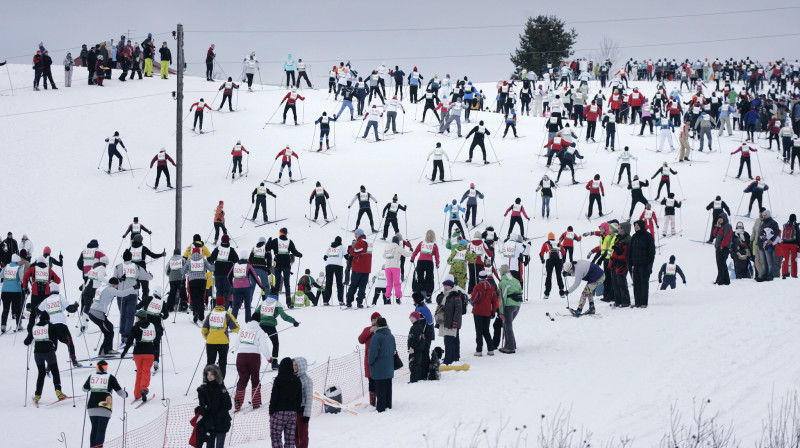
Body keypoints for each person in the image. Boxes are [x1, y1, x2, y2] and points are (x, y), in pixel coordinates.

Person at [82, 360, 127, 448]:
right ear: (106, 367)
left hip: (91, 407)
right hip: (105, 407)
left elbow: (84, 389)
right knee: (101, 430)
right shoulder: (110, 377)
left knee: (94, 429)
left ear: (97, 367)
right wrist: (126, 394)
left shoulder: (92, 376)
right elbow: (120, 393)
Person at [253, 287, 299, 370]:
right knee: (275, 343)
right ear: (277, 294)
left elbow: (256, 313)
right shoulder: (277, 304)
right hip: (271, 326)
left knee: (255, 342)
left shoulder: (263, 302)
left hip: (261, 326)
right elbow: (284, 316)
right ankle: (274, 363)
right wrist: (294, 321)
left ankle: (252, 361)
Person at [24, 312, 66, 405]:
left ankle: (37, 395)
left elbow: (26, 341)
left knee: (41, 373)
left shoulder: (34, 327)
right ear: (48, 319)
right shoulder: (50, 326)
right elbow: (59, 337)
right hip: (49, 352)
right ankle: (58, 391)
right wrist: (67, 341)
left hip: (37, 354)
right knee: (55, 371)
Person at [113, 250, 152, 346]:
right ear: (131, 257)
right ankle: (128, 335)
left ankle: (123, 335)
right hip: (133, 293)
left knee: (123, 314)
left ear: (123, 257)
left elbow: (114, 280)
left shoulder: (118, 267)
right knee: (130, 315)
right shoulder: (136, 267)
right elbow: (146, 277)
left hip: (121, 294)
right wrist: (150, 275)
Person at [233, 318, 270, 411]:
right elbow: (264, 346)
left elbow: (236, 344)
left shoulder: (243, 329)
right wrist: (269, 357)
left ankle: (238, 403)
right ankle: (256, 402)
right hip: (254, 357)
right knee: (255, 379)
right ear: (259, 321)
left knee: (242, 380)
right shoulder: (259, 331)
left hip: (241, 356)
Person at [120, 310, 156, 402]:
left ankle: (137, 394)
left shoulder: (135, 327)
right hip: (149, 351)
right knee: (146, 371)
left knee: (139, 372)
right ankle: (144, 388)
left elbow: (130, 341)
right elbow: (155, 337)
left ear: (138, 318)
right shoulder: (152, 326)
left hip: (138, 353)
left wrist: (124, 352)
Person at [201, 296, 240, 379]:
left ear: (215, 304)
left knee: (210, 362)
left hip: (211, 342)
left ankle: (208, 382)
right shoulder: (227, 314)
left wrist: (207, 337)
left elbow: (204, 328)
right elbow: (235, 328)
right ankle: (220, 382)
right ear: (224, 304)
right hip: (223, 342)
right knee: (222, 363)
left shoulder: (210, 314)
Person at [196, 364, 233, 448]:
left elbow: (228, 404)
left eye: (212, 374)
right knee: (209, 445)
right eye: (207, 374)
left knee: (219, 445)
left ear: (216, 375)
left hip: (221, 421)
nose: (209, 377)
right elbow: (202, 405)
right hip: (209, 423)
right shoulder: (203, 389)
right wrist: (201, 410)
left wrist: (219, 415)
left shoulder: (221, 388)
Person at [266, 227, 302, 306]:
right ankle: (288, 302)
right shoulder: (289, 241)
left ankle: (274, 301)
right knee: (287, 284)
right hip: (286, 263)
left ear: (280, 233)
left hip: (277, 264)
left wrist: (269, 242)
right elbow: (294, 251)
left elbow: (267, 248)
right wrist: (299, 255)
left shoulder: (275, 241)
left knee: (277, 284)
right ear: (286, 233)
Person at [269, 358, 302, 446]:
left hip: (279, 412)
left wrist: (271, 411)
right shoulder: (297, 380)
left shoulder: (279, 379)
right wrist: (296, 410)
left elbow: (274, 396)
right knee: (290, 439)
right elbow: (299, 398)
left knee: (276, 436)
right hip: (292, 414)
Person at [367, 317, 396, 412]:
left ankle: (381, 408)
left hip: (379, 368)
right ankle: (388, 406)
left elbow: (373, 352)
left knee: (380, 389)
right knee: (388, 388)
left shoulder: (377, 336)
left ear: (377, 325)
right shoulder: (390, 335)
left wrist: (370, 362)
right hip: (389, 367)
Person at [435, 279, 464, 364]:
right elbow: (439, 303)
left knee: (449, 340)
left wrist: (455, 322)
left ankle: (449, 358)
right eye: (444, 286)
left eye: (446, 286)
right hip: (445, 321)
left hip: (451, 322)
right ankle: (454, 356)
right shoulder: (444, 295)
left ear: (451, 286)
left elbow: (458, 310)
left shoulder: (455, 295)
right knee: (449, 340)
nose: (445, 287)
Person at [183, 246, 215, 323]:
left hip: (192, 281)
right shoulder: (203, 260)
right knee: (201, 297)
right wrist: (213, 264)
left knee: (194, 298)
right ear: (200, 253)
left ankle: (195, 313)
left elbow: (183, 271)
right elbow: (211, 269)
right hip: (202, 281)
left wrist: (188, 271)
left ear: (192, 252)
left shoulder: (189, 261)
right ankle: (201, 316)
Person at [470, 270, 498, 356]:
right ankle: (490, 349)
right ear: (486, 277)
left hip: (478, 312)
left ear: (479, 278)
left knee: (479, 331)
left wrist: (471, 301)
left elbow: (473, 299)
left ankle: (479, 350)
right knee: (486, 331)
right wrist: (493, 312)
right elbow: (494, 301)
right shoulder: (492, 287)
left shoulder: (477, 287)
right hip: (487, 312)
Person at [629, 220, 656, 308]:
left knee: (644, 284)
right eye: (635, 225)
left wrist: (650, 265)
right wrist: (629, 263)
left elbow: (652, 252)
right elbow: (630, 251)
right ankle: (637, 302)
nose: (636, 227)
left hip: (644, 265)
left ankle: (643, 302)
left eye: (637, 225)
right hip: (635, 265)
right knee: (636, 284)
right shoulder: (634, 237)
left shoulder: (648, 236)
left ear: (642, 226)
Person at [498, 264, 522, 353]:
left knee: (507, 325)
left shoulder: (503, 282)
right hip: (517, 305)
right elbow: (520, 291)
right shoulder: (516, 280)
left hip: (509, 306)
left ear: (501, 272)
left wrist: (501, 312)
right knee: (507, 325)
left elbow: (502, 298)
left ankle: (510, 347)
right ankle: (511, 344)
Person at [345, 229, 372, 308]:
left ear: (359, 234)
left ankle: (349, 302)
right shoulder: (369, 242)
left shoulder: (360, 241)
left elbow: (356, 252)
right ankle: (360, 302)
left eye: (356, 234)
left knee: (353, 285)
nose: (355, 236)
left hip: (358, 267)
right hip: (367, 268)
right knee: (362, 287)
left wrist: (350, 249)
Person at [411, 230, 440, 300]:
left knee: (420, 277)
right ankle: (428, 293)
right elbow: (437, 256)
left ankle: (419, 291)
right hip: (429, 262)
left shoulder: (421, 243)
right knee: (429, 278)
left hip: (420, 261)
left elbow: (415, 252)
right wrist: (437, 263)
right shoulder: (434, 245)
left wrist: (412, 259)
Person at [609, 221, 632, 307]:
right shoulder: (619, 237)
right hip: (615, 262)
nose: (618, 229)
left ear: (625, 229)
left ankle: (625, 300)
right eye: (618, 228)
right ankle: (618, 300)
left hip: (623, 263)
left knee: (621, 281)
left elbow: (627, 252)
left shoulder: (628, 238)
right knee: (615, 282)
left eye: (620, 228)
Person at [1, 254, 24, 333]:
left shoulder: (6, 267)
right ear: (17, 261)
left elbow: (1, 275)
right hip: (16, 292)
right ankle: (19, 324)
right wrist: (25, 287)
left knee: (5, 309)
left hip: (5, 291)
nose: (20, 262)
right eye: (19, 261)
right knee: (18, 309)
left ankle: (3, 325)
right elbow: (22, 279)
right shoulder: (18, 268)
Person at [293, 357, 313, 448]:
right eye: (293, 365)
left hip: (302, 412)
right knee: (294, 434)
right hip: (293, 411)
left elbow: (309, 399)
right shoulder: (292, 378)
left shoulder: (306, 380)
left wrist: (306, 415)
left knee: (303, 435)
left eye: (296, 365)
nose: (294, 367)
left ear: (301, 366)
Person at [756, 209, 781, 282]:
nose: (764, 216)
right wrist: (758, 242)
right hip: (761, 244)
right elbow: (760, 233)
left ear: (768, 215)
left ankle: (770, 275)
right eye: (763, 215)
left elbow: (775, 232)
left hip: (768, 245)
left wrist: (772, 240)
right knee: (763, 262)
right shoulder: (763, 223)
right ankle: (764, 275)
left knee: (769, 261)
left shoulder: (773, 223)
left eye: (765, 215)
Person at [540, 233, 565, 299]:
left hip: (550, 260)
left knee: (549, 276)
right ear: (554, 237)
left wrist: (542, 260)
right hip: (559, 260)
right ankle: (562, 292)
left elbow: (541, 253)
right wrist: (563, 261)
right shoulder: (558, 242)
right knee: (559, 275)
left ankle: (547, 293)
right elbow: (564, 253)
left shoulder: (545, 243)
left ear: (548, 238)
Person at [407, 311, 429, 382]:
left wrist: (412, 348)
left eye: (413, 318)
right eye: (410, 317)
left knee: (413, 364)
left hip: (415, 349)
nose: (411, 319)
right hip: (414, 349)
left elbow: (416, 340)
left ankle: (414, 380)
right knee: (415, 364)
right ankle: (418, 378)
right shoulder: (415, 326)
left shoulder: (416, 327)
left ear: (417, 318)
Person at [323, 236, 345, 305]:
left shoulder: (330, 246)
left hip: (329, 265)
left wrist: (330, 259)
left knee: (329, 283)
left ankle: (326, 300)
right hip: (338, 265)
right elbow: (346, 256)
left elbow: (325, 257)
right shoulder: (342, 247)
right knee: (339, 283)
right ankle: (340, 300)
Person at [712, 213, 733, 286]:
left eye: (721, 218)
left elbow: (727, 237)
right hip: (718, 248)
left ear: (724, 218)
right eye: (719, 218)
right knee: (720, 264)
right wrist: (717, 226)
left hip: (724, 248)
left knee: (721, 264)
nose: (720, 219)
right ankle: (726, 280)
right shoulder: (721, 226)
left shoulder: (727, 226)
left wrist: (722, 246)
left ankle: (721, 280)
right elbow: (714, 235)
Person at [780, 214, 799, 279]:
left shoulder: (785, 225)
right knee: (794, 260)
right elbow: (798, 236)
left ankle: (784, 273)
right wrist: (799, 245)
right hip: (793, 244)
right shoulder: (796, 225)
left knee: (785, 259)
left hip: (785, 244)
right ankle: (794, 274)